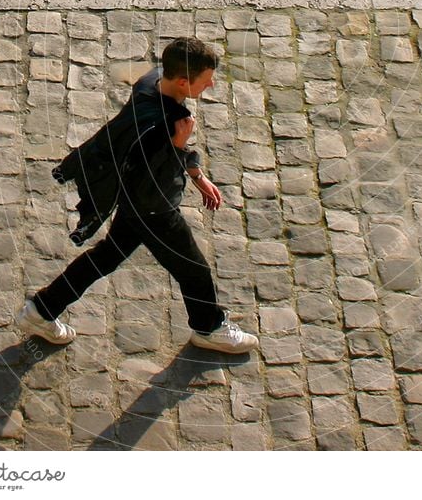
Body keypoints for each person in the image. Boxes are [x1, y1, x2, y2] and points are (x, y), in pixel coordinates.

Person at [16, 36, 258, 354]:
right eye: (206, 80)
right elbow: (156, 175)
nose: (211, 85)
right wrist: (178, 146)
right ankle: (208, 328)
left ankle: (42, 310)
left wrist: (197, 175)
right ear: (184, 82)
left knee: (106, 256)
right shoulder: (169, 124)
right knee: (194, 269)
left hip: (131, 200)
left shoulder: (151, 81)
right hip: (153, 209)